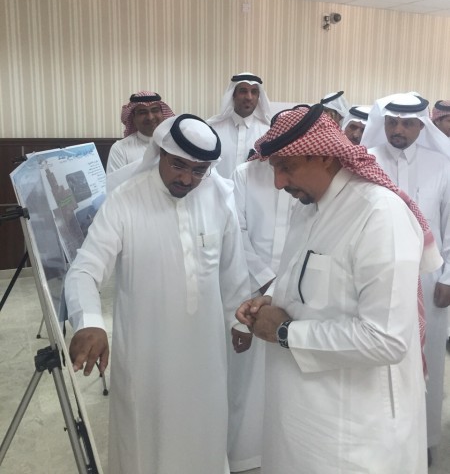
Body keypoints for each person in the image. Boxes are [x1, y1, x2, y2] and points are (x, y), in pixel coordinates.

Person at [236, 104, 442, 474]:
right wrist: (270, 300)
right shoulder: (309, 206)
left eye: (287, 167)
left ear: (326, 157)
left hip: (351, 431)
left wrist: (285, 332)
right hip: (301, 417)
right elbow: (306, 279)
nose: (278, 183)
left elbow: (385, 339)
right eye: (274, 168)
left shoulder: (379, 215)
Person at [65, 114, 252, 474]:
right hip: (147, 355)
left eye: (199, 170)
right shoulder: (125, 200)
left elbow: (233, 269)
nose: (187, 179)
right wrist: (89, 322)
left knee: (204, 432)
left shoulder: (219, 196)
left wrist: (238, 319)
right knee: (145, 441)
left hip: (206, 352)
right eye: (178, 165)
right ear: (161, 153)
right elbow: (85, 269)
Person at [361, 92, 450, 463]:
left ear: (421, 125)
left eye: (408, 123)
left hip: (429, 277)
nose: (398, 129)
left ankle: (424, 438)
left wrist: (448, 277)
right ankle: (381, 439)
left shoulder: (442, 163)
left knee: (428, 356)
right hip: (377, 275)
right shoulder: (366, 160)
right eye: (392, 122)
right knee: (379, 356)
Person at [227, 134, 296, 472]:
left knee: (288, 378)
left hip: (296, 291)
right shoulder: (244, 174)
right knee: (247, 379)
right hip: (250, 285)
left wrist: (282, 284)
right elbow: (236, 232)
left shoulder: (308, 178)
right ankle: (245, 454)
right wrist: (267, 278)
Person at [207, 73, 271, 178]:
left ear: (258, 97)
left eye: (254, 92)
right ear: (233, 94)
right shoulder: (213, 129)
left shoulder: (268, 132)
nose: (249, 97)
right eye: (243, 91)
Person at [106, 90, 175, 173]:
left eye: (155, 110)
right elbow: (115, 181)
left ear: (163, 114)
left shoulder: (175, 143)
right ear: (133, 118)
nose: (150, 117)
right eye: (142, 112)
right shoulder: (120, 149)